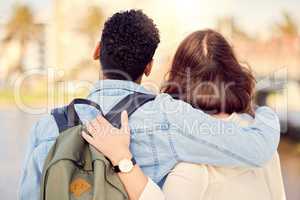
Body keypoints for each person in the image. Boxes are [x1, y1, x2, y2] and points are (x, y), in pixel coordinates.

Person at [19, 10, 280, 200]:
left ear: (97, 51)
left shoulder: (49, 126)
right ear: (149, 66)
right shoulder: (168, 115)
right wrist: (265, 112)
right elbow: (257, 150)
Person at [83, 29, 285, 200]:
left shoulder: (188, 161)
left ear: (178, 79)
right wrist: (265, 113)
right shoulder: (264, 140)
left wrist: (122, 159)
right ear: (235, 74)